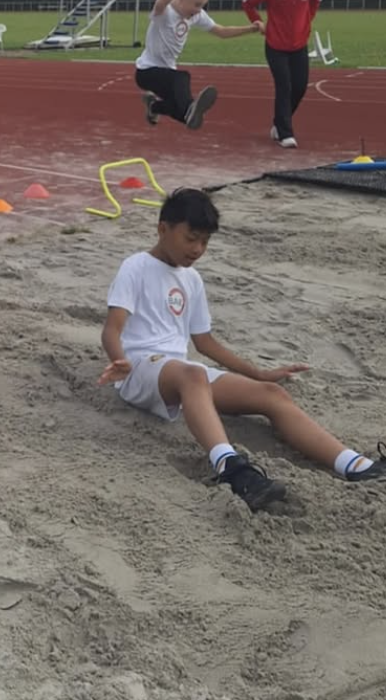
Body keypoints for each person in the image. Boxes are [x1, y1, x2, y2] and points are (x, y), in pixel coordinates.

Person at [99, 188, 386, 511]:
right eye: (191, 239)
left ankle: (356, 465)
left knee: (272, 395)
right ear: (163, 229)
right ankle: (231, 468)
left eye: (205, 242)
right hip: (139, 368)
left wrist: (259, 373)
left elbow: (204, 342)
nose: (197, 249)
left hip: (179, 372)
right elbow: (112, 329)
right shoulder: (136, 266)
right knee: (192, 374)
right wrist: (119, 360)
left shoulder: (191, 279)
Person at [136, 0, 263, 130]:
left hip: (167, 73)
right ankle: (190, 107)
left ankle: (154, 107)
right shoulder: (165, 12)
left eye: (202, 5)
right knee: (182, 78)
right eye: (196, 4)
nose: (199, 10)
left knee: (181, 112)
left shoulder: (196, 15)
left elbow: (221, 31)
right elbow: (159, 2)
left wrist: (250, 29)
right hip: (146, 71)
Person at [242, 0, 321, 149]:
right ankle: (285, 133)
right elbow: (247, 2)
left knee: (300, 87)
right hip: (276, 45)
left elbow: (316, 0)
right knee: (284, 86)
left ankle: (279, 122)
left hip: (299, 45)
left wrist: (308, 19)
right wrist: (257, 21)